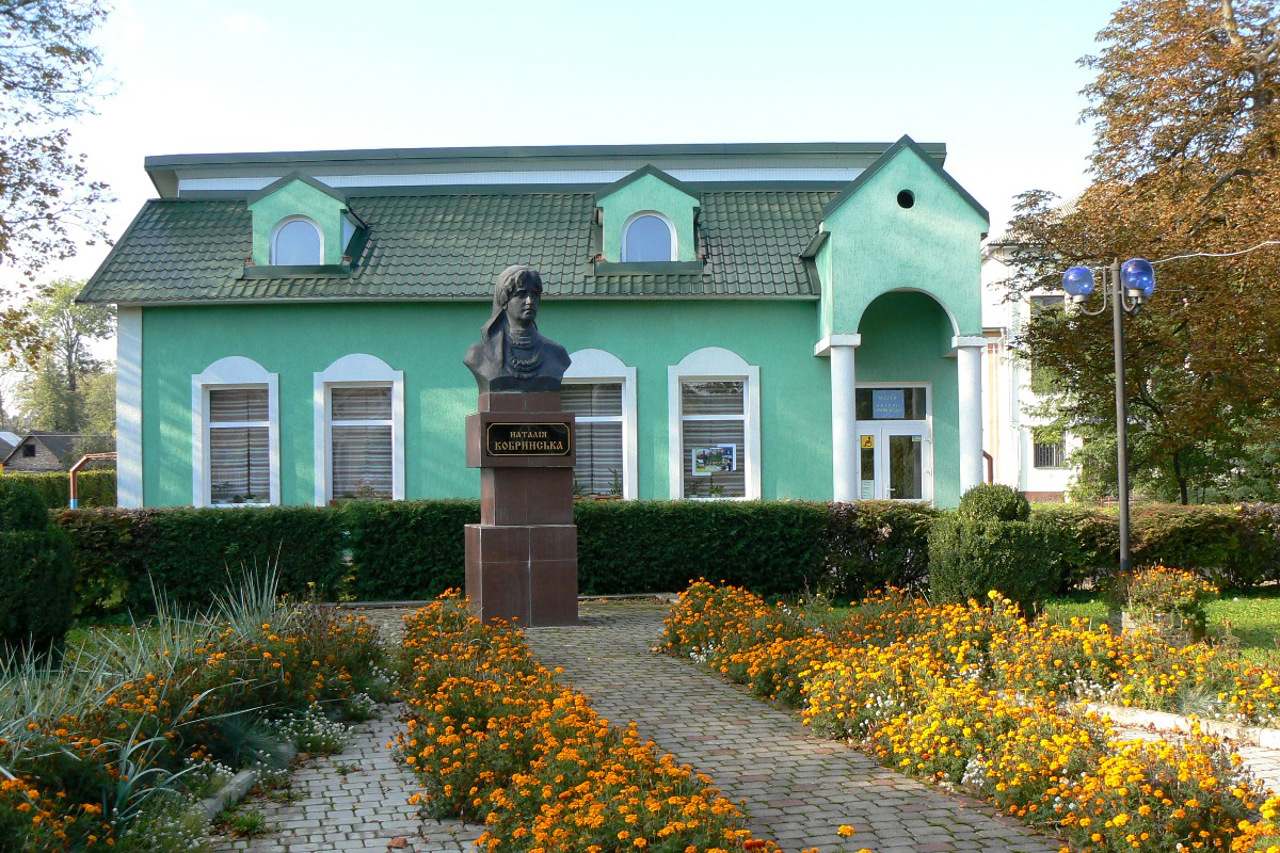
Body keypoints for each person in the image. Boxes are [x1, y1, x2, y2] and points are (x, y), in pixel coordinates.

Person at [464, 265, 571, 392]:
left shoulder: (557, 354)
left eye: (535, 294)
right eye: (521, 294)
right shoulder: (478, 353)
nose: (530, 301)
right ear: (504, 300)